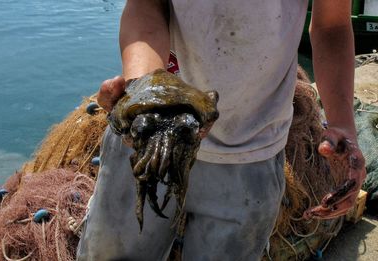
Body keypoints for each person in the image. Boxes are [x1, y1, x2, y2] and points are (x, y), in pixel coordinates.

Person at [77, 0, 366, 260]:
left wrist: (342, 124)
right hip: (145, 141)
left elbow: (332, 24)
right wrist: (142, 87)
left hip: (253, 151)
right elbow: (147, 5)